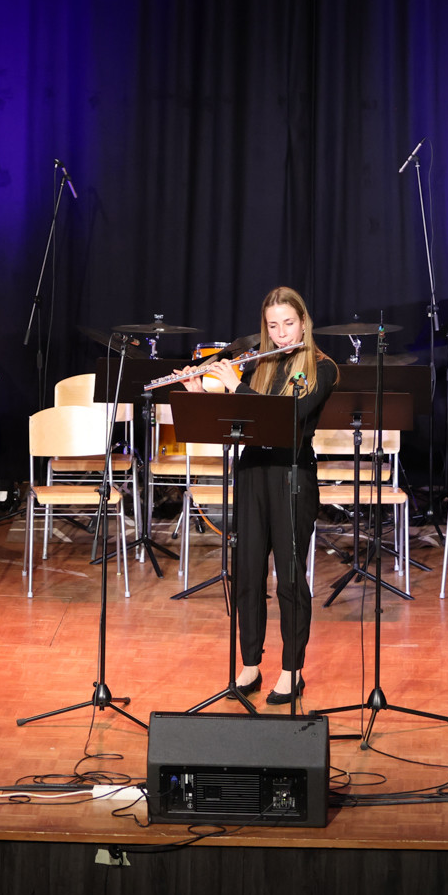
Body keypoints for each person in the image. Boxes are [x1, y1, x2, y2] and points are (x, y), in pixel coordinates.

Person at [182, 287, 337, 704]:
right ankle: (250, 665)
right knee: (248, 575)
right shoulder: (260, 367)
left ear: (303, 322)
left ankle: (292, 670)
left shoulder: (322, 369)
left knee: (288, 578)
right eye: (273, 326)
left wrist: (234, 386)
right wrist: (199, 398)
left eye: (289, 323)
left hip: (292, 477)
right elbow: (234, 424)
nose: (282, 333)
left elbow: (286, 418)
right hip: (252, 475)